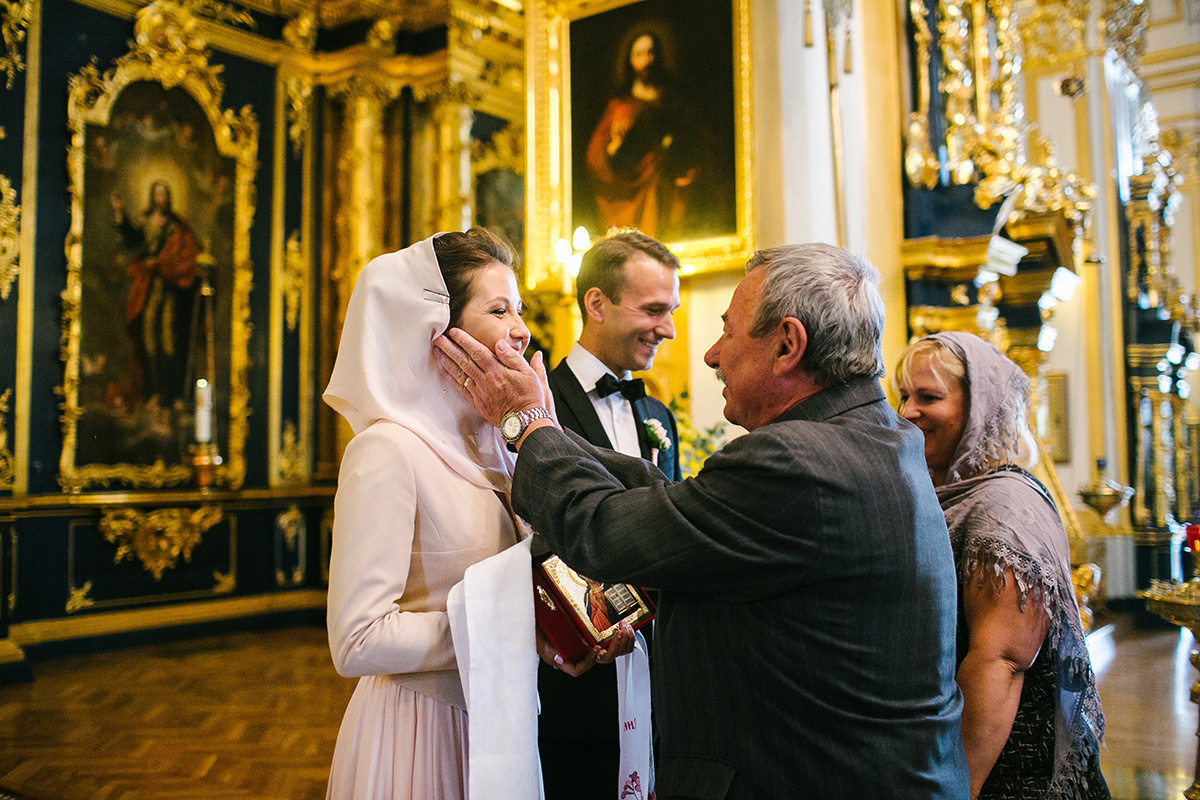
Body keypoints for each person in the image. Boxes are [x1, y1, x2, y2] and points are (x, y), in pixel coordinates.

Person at [434, 242, 971, 800]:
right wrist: (553, 433)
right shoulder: (875, 436)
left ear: (788, 344)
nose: (711, 354)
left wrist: (526, 423)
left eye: (729, 331)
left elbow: (605, 529)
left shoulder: (796, 463)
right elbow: (680, 504)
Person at [323, 228, 574, 800]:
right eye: (499, 309)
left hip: (502, 722)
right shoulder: (387, 450)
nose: (522, 328)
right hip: (421, 733)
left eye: (521, 309)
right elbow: (356, 639)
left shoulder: (501, 449)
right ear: (439, 332)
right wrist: (510, 631)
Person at [895, 331, 1110, 800]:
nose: (907, 411)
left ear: (980, 409)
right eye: (904, 395)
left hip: (1011, 771)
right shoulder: (951, 494)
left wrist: (957, 788)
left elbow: (1002, 662)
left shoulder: (1004, 509)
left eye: (928, 397)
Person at [540, 228, 682, 799]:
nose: (668, 329)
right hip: (575, 673)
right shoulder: (539, 408)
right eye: (653, 310)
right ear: (597, 304)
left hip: (654, 667)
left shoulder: (658, 416)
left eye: (670, 311)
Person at [584, 30, 705, 240]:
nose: (647, 61)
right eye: (639, 54)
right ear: (630, 61)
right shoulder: (619, 106)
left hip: (667, 181)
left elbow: (697, 142)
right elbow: (596, 156)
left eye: (651, 53)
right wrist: (613, 148)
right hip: (630, 184)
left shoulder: (675, 100)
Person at [110, 180, 200, 411]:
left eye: (163, 194)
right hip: (149, 285)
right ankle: (153, 393)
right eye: (156, 194)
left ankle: (174, 394)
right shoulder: (146, 220)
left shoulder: (176, 226)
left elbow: (189, 253)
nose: (160, 198)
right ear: (152, 197)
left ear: (168, 198)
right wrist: (119, 211)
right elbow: (132, 240)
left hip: (171, 286)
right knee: (148, 338)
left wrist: (160, 263)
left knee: (169, 340)